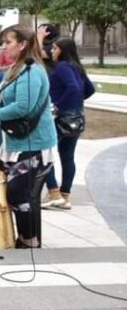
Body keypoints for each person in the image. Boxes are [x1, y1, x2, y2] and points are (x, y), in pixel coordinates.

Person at [0, 25, 58, 249]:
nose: (4, 46)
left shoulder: (32, 71)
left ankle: (28, 240)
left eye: (8, 42)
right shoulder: (17, 69)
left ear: (22, 45)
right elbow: (4, 99)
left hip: (34, 143)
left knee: (18, 193)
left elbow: (24, 106)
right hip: (18, 142)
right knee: (20, 194)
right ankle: (29, 239)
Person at [42, 37, 95, 209]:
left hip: (61, 118)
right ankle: (65, 195)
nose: (52, 51)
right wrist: (76, 103)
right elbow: (89, 89)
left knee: (45, 154)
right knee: (67, 156)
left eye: (55, 48)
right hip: (77, 117)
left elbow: (72, 87)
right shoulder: (77, 67)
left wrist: (58, 106)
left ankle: (54, 193)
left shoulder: (63, 67)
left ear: (63, 51)